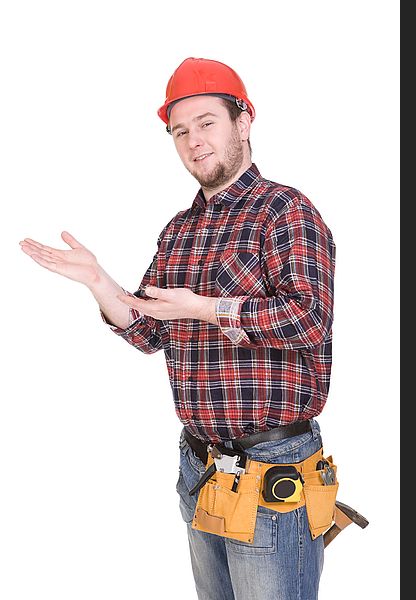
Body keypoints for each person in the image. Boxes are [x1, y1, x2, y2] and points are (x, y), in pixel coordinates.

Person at [19, 57, 336, 600]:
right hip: (200, 467)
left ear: (244, 121)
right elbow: (148, 330)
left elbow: (309, 319)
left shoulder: (286, 212)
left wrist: (209, 309)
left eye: (207, 123)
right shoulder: (179, 230)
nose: (194, 141)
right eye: (180, 130)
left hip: (271, 472)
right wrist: (99, 281)